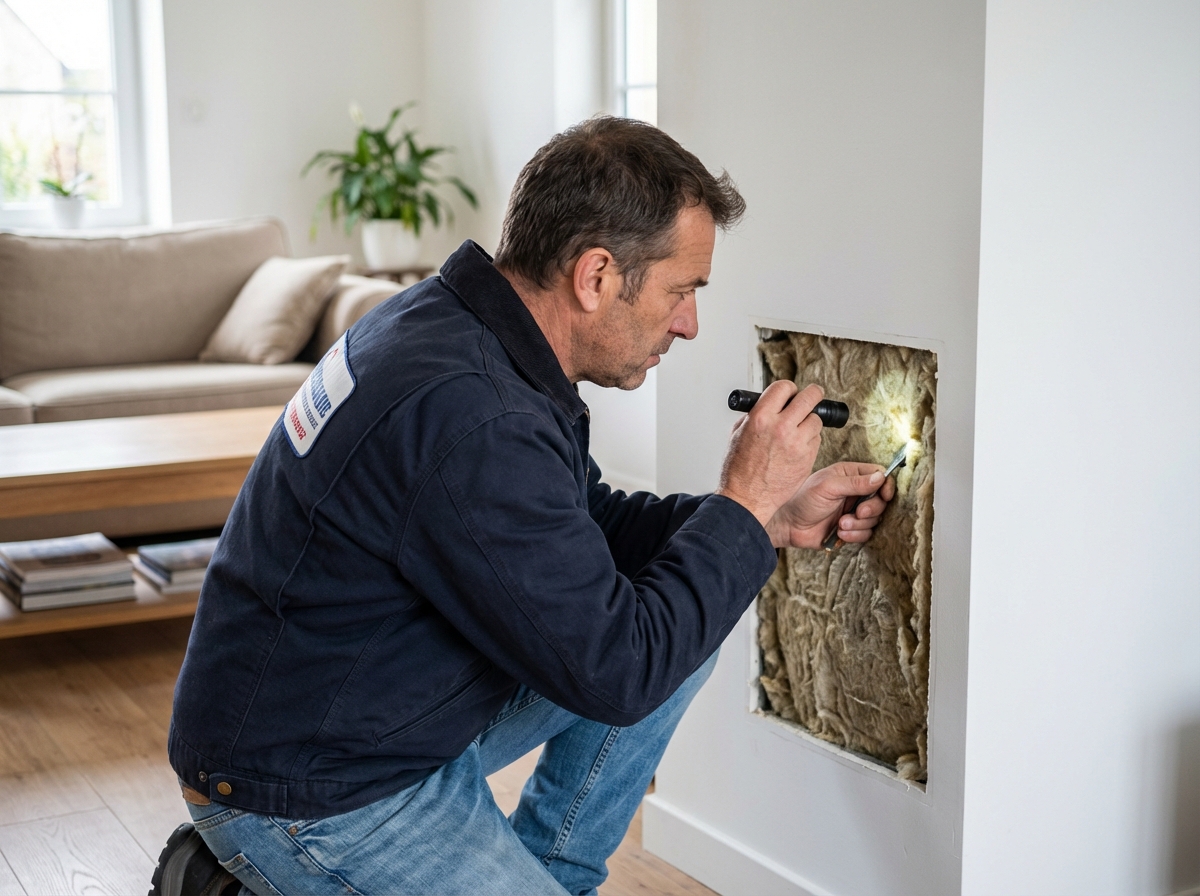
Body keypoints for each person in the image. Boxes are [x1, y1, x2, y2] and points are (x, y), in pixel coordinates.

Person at [150, 116, 895, 896]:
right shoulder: (475, 411)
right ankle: (247, 873)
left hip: (370, 706)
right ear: (597, 275)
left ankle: (546, 878)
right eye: (682, 291)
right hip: (310, 788)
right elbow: (617, 675)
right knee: (673, 616)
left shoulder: (463, 331)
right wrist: (741, 503)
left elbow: (585, 528)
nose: (689, 323)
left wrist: (766, 519)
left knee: (693, 599)